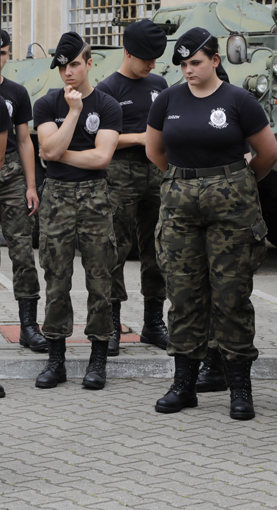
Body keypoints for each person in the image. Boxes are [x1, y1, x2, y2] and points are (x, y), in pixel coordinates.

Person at [147, 27, 277, 421]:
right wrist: (186, 182)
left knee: (231, 296)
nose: (188, 70)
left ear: (215, 60)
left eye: (196, 62)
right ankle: (184, 385)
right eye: (183, 64)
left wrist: (235, 183)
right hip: (180, 210)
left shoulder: (239, 100)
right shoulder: (168, 100)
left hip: (232, 211)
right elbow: (155, 151)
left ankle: (239, 388)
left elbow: (268, 152)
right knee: (184, 296)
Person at [32, 32, 121, 390]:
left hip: (94, 197)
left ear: (88, 63)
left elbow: (101, 158)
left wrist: (56, 153)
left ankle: (97, 360)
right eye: (61, 67)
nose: (67, 72)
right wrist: (73, 113)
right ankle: (56, 360)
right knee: (56, 279)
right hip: (56, 197)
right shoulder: (46, 104)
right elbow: (48, 147)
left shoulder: (108, 105)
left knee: (100, 279)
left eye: (74, 65)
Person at [95, 19, 170, 355]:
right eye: (146, 59)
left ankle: (153, 323)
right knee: (116, 248)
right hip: (120, 173)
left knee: (157, 248)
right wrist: (140, 138)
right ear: (128, 53)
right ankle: (112, 324)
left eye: (155, 59)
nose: (151, 65)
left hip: (156, 171)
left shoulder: (159, 84)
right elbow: (100, 139)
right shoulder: (109, 89)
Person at [0, 30, 47, 354]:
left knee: (23, 253)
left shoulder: (16, 92)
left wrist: (31, 185)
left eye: (3, 53)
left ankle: (28, 326)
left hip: (12, 175)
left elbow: (26, 140)